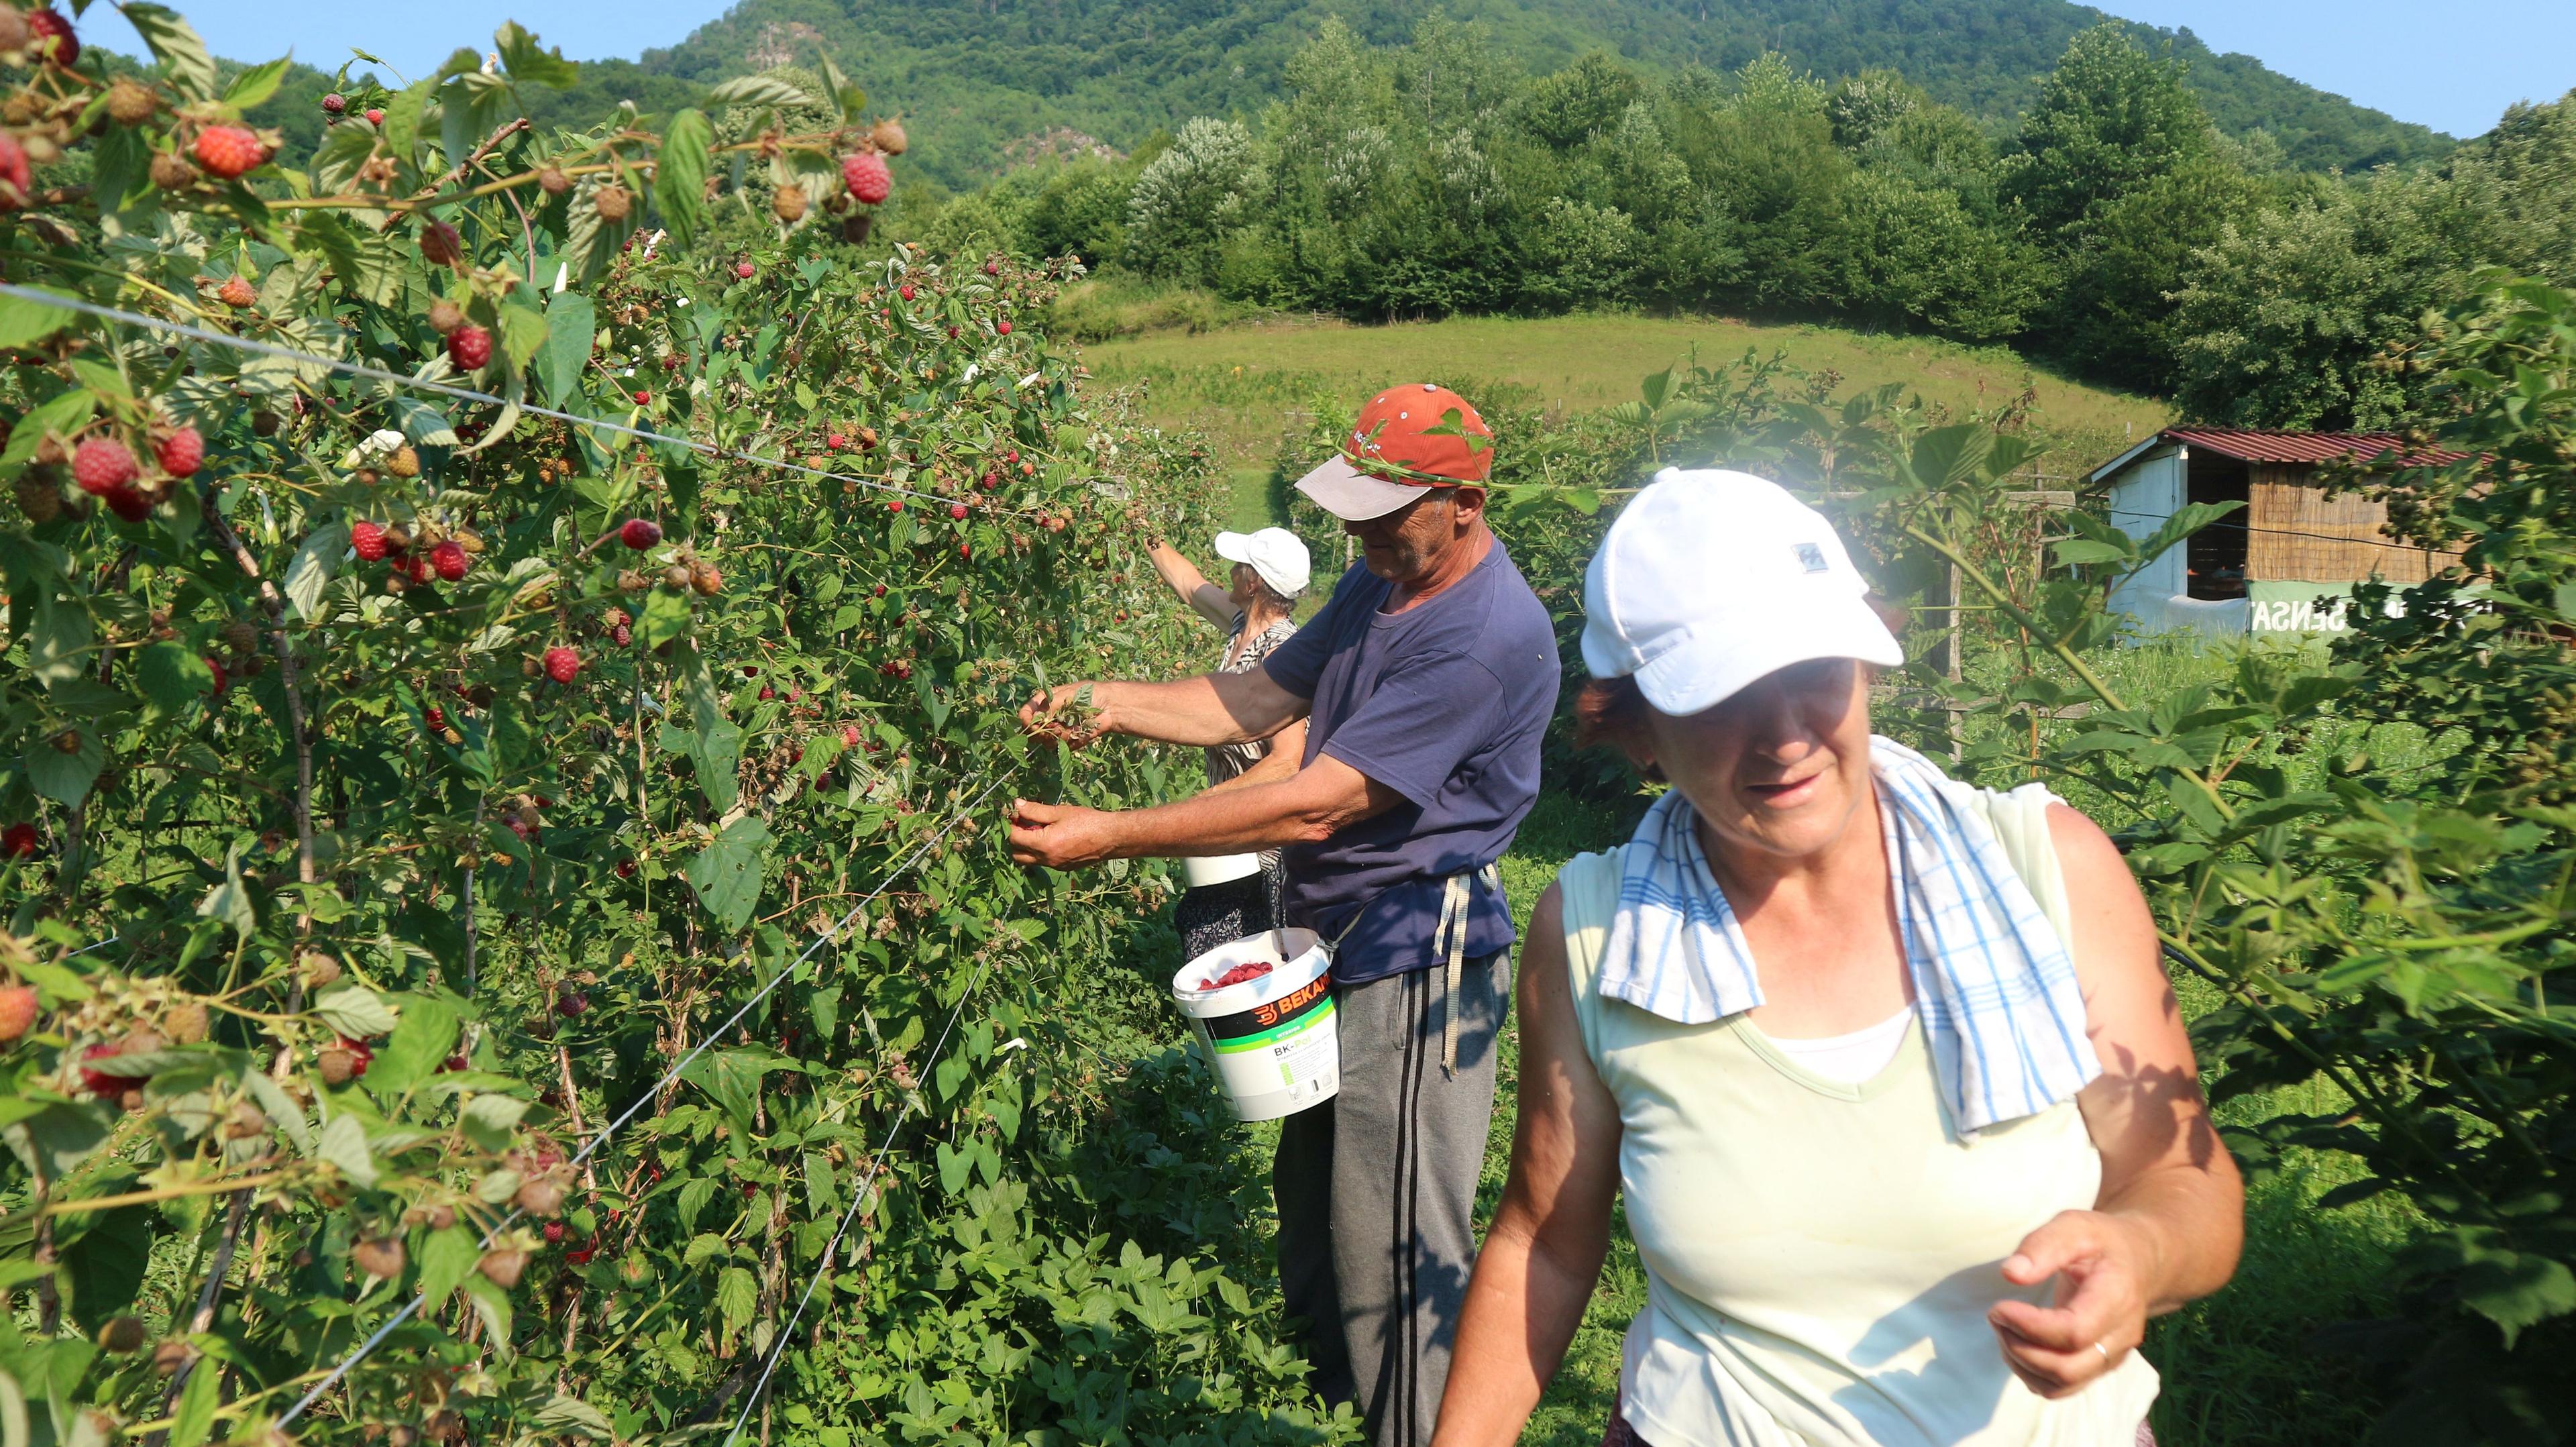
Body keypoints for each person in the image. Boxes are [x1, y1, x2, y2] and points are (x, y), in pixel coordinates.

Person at [1432, 470, 2243, 1447]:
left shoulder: (2044, 871)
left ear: (1867, 667)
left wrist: (2140, 1249)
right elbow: (1545, 1242)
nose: (1784, 736)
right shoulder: (1598, 934)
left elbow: (2186, 1177)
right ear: (1640, 732)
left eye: (1813, 669)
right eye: (1721, 697)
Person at [1009, 384, 1562, 1447]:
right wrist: (1105, 701)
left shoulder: (1483, 636)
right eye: (1351, 506)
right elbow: (1255, 706)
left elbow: (1318, 800)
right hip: (1333, 931)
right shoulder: (1379, 580)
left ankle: (1419, 1431)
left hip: (1415, 950)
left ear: (1465, 503)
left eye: (1382, 510)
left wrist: (1110, 831)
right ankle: (1333, 1414)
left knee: (1394, 1237)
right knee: (1316, 1217)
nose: (1356, 529)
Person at [1137, 524, 1313, 961]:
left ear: (1254, 582)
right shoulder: (1243, 627)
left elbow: (1288, 760)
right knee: (1214, 938)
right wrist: (1141, 530)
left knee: (1245, 953)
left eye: (1240, 566)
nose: (1230, 571)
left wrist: (1212, 802)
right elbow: (1190, 584)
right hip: (1235, 829)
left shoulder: (1280, 654)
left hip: (1266, 844)